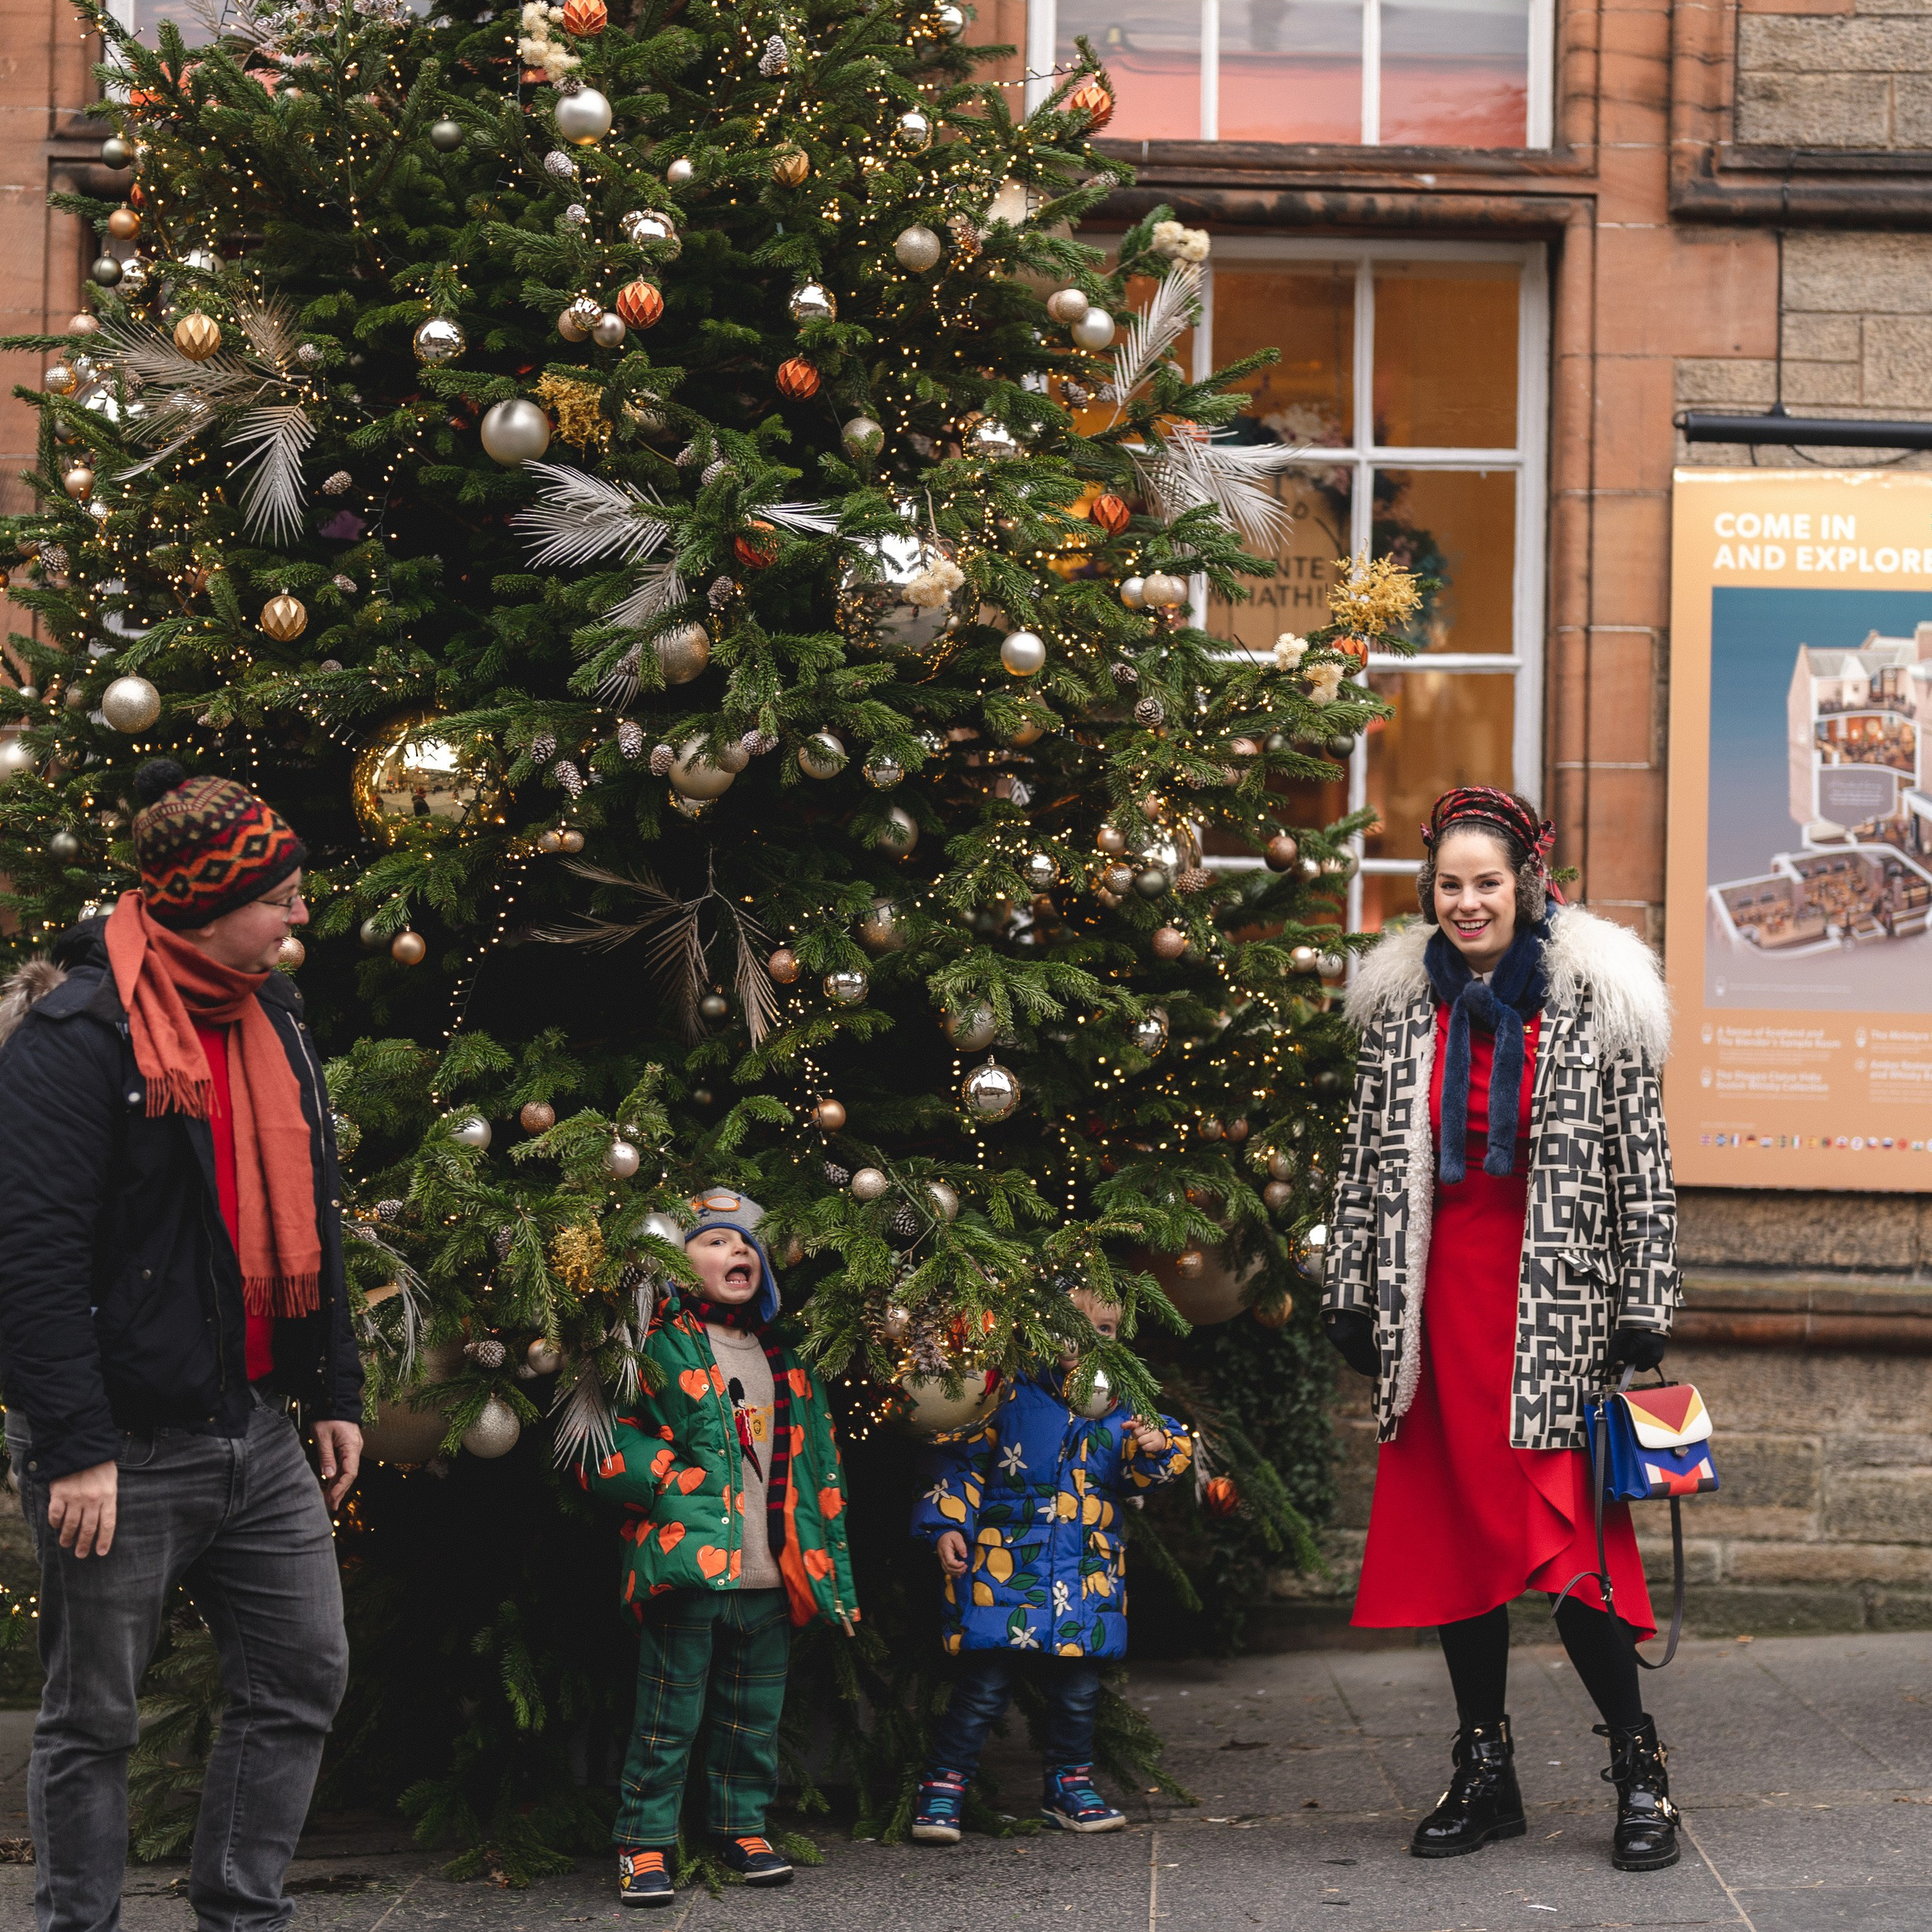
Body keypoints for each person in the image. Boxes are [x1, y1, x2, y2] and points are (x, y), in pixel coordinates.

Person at [0, 757, 364, 1932]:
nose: (303, 910)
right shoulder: (77, 1036)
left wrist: (332, 1386)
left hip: (256, 1428)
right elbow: (29, 1255)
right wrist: (75, 1446)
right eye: (284, 892)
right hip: (124, 1447)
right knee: (94, 1718)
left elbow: (315, 1199)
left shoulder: (272, 1015)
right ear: (213, 903)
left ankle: (240, 1912)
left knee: (302, 1673)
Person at [1323, 787, 1681, 1873]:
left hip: (1554, 1313)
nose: (1468, 902)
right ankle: (1486, 1771)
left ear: (1526, 880)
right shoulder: (1398, 1012)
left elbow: (1645, 1174)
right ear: (1428, 890)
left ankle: (1640, 1768)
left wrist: (1641, 1303)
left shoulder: (1594, 1001)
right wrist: (1349, 1286)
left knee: (1576, 1562)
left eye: (1488, 882)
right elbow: (1366, 1164)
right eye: (1449, 884)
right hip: (1434, 1311)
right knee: (1460, 1556)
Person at [583, 1188, 858, 1910]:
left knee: (752, 1715)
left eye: (747, 1244)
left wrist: (824, 1554)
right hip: (693, 1566)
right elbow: (604, 1437)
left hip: (773, 1568)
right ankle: (644, 1840)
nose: (737, 1251)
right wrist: (670, 1477)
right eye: (715, 1240)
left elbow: (816, 1459)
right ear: (677, 1264)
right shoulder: (657, 1343)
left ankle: (741, 1826)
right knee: (668, 1716)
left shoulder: (784, 1353)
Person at [906, 1286, 1192, 1843]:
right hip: (1003, 1568)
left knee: (1079, 1690)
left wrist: (1159, 1445)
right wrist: (945, 1525)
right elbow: (958, 1456)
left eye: (1103, 1330)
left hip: (1086, 1576)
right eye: (1068, 1326)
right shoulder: (1007, 1394)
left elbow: (1144, 1469)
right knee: (983, 1685)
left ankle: (1069, 1784)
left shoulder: (1124, 1408)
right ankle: (944, 1784)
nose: (1085, 1340)